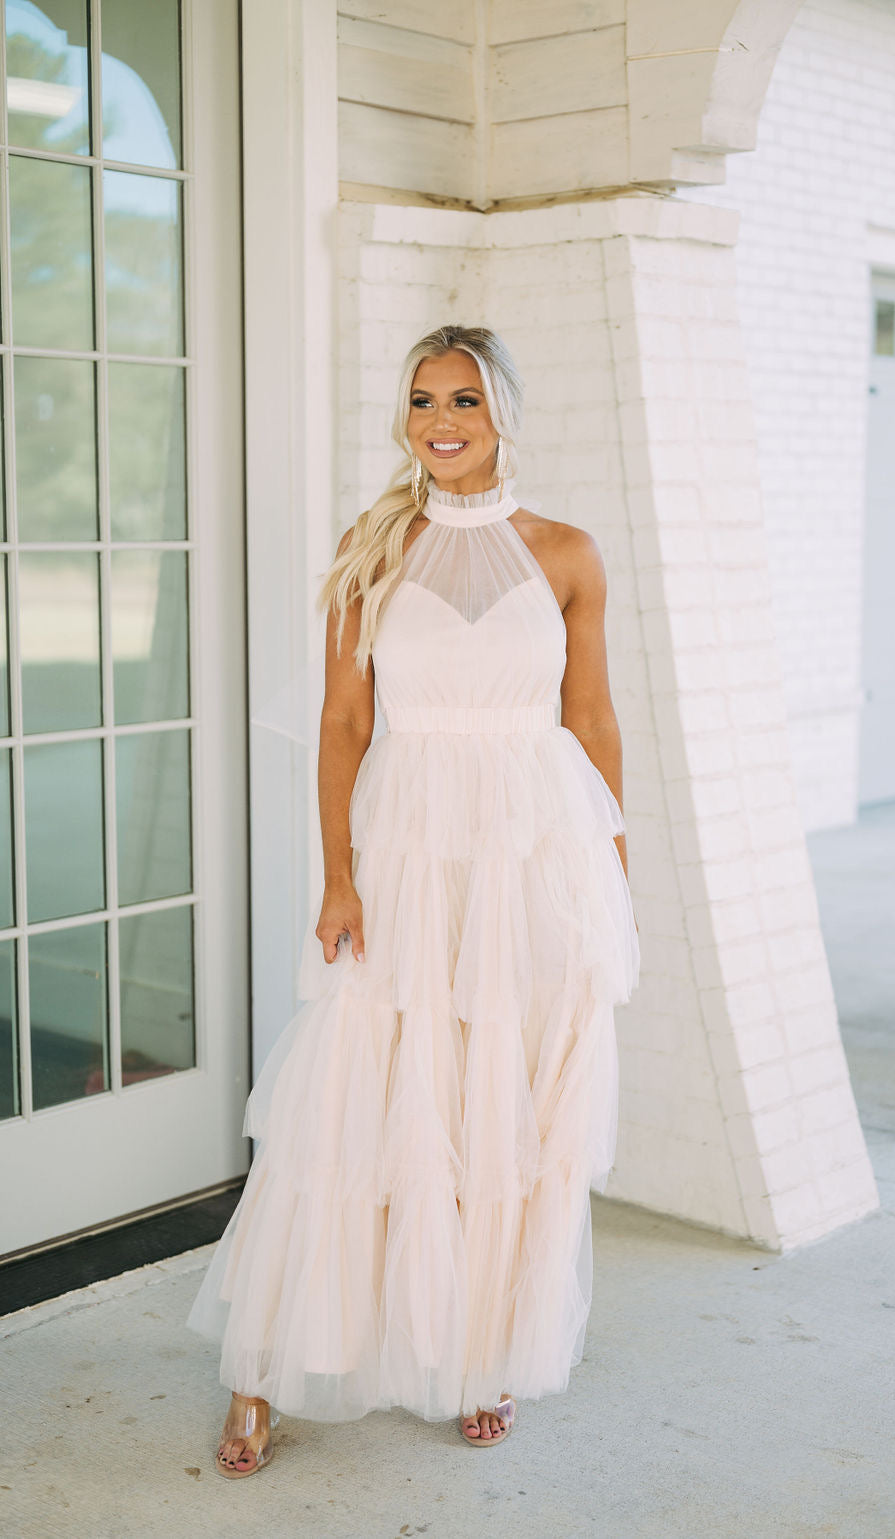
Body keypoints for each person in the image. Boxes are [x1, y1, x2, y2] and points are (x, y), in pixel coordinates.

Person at [186, 324, 641, 1475]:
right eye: (424, 399)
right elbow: (344, 726)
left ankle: (476, 1351)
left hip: (532, 859)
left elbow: (589, 721)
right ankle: (261, 1369)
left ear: (504, 418)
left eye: (466, 403)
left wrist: (611, 871)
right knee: (353, 1095)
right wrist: (337, 873)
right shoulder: (374, 546)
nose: (440, 422)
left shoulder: (570, 554)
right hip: (406, 851)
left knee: (502, 1106)